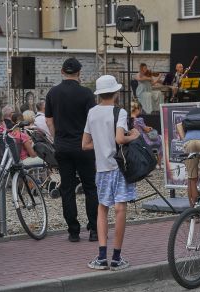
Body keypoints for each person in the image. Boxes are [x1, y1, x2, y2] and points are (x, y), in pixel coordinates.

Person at [83, 75, 140, 271]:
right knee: (120, 209)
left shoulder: (92, 113)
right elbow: (119, 138)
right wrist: (133, 135)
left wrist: (101, 144)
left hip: (102, 168)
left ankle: (101, 256)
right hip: (119, 166)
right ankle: (116, 257)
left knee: (102, 209)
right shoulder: (120, 111)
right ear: (115, 93)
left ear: (99, 94)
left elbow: (85, 144)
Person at [45, 57, 99, 243]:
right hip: (83, 147)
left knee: (67, 189)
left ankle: (73, 231)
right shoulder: (86, 94)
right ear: (79, 73)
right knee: (91, 187)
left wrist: (56, 138)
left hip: (62, 147)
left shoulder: (52, 93)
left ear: (62, 71)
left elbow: (49, 121)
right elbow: (93, 121)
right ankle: (93, 230)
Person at [130, 102, 163, 168]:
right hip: (143, 139)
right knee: (160, 141)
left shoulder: (128, 119)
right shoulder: (139, 120)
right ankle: (159, 164)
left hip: (133, 139)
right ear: (137, 110)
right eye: (140, 109)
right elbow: (146, 130)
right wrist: (150, 128)